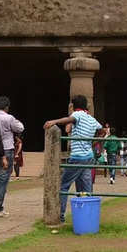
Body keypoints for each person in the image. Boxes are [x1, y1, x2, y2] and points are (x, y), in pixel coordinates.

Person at [44, 95, 102, 223]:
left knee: (63, 186)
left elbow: (69, 119)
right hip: (88, 157)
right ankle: (87, 219)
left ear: (73, 106)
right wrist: (91, 142)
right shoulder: (91, 119)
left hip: (77, 157)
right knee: (85, 189)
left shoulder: (78, 115)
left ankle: (60, 216)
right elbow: (101, 130)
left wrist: (54, 121)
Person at [0, 96, 24, 218]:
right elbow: (20, 127)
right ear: (7, 107)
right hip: (7, 148)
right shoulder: (9, 118)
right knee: (3, 179)